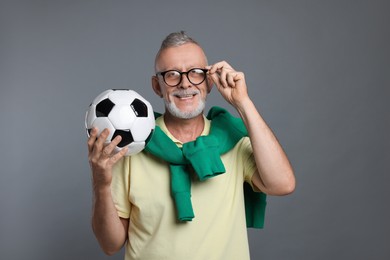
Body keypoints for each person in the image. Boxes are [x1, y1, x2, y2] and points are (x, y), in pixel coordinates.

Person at [87, 31, 295, 260]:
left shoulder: (231, 140)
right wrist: (101, 183)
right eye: (172, 75)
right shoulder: (131, 147)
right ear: (157, 86)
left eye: (196, 73)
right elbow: (110, 245)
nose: (185, 83)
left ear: (209, 81)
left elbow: (282, 184)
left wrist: (243, 103)